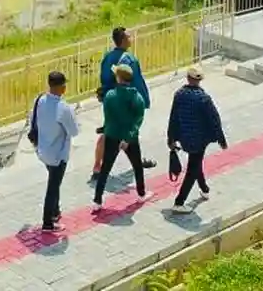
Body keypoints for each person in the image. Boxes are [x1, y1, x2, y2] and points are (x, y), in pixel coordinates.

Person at [92, 27, 156, 182]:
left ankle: (97, 167)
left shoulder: (107, 57)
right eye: (129, 36)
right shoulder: (129, 59)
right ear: (123, 40)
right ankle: (137, 162)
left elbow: (104, 78)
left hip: (111, 100)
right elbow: (136, 82)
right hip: (127, 102)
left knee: (108, 131)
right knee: (131, 133)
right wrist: (143, 101)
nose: (131, 38)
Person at [167, 65, 227, 214]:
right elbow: (214, 119)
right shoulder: (204, 98)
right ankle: (179, 202)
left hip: (184, 137)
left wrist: (171, 138)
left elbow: (173, 117)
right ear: (200, 80)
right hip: (200, 139)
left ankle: (204, 189)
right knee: (192, 169)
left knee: (195, 162)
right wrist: (221, 138)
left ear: (188, 78)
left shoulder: (179, 95)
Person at [92, 64, 149, 210]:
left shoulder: (110, 96)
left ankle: (97, 200)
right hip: (130, 138)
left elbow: (109, 117)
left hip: (112, 135)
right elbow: (138, 120)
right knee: (137, 166)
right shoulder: (137, 98)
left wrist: (105, 129)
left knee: (105, 168)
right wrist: (128, 138)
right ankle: (142, 194)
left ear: (118, 78)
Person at [28, 71, 78, 232]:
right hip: (58, 155)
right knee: (53, 187)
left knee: (54, 182)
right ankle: (48, 222)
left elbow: (32, 120)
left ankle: (55, 212)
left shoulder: (40, 100)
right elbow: (74, 131)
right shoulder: (63, 108)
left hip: (42, 150)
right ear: (62, 87)